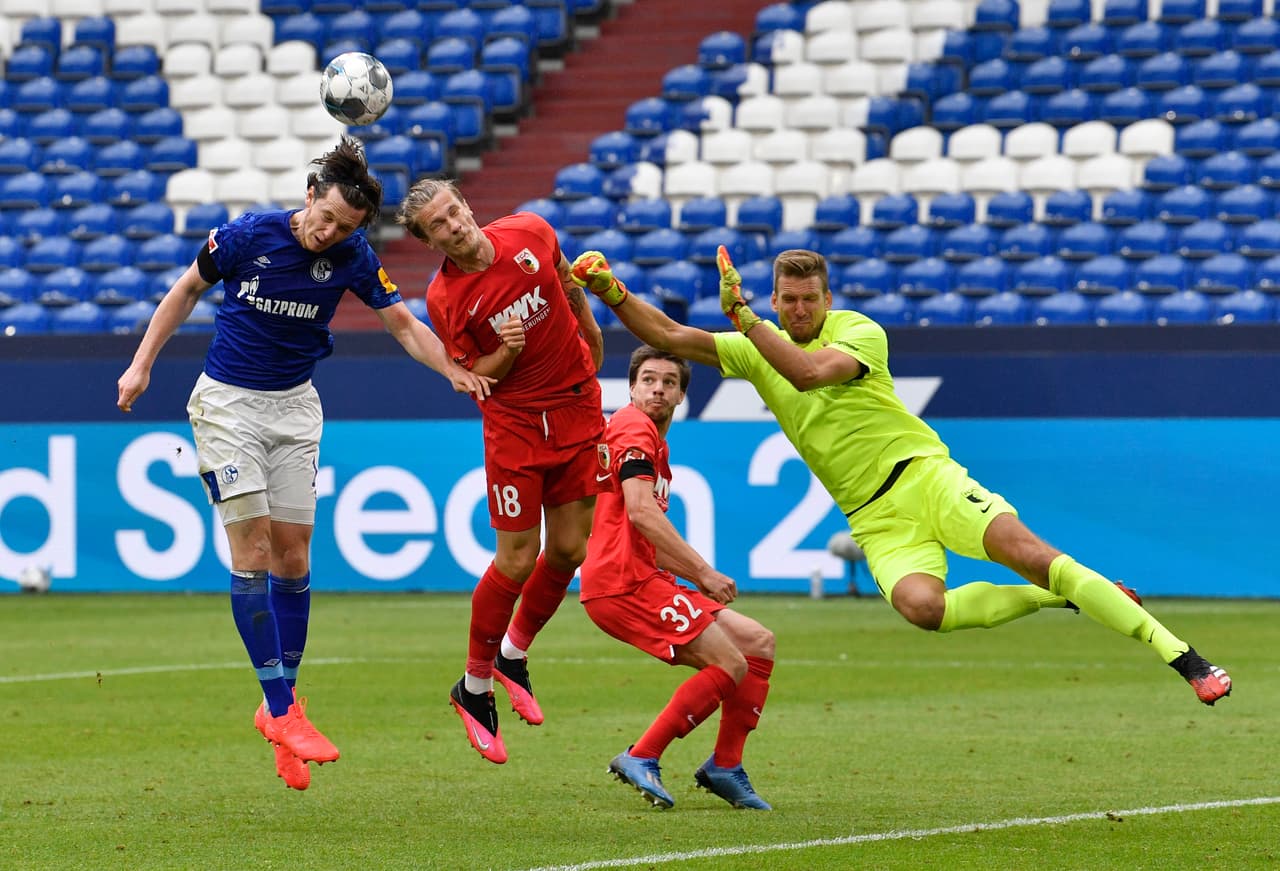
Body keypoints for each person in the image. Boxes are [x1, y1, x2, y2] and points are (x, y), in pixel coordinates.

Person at [570, 246, 1232, 707]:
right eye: (788, 301)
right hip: (874, 517)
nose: (799, 310)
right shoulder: (752, 347)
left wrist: (746, 319)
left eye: (809, 300)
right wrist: (610, 290)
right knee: (924, 609)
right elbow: (666, 332)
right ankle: (1067, 597)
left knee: (1030, 551)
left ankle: (1184, 657)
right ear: (775, 297)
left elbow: (807, 372)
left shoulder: (858, 332)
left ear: (827, 299)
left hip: (925, 477)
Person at [117, 137, 493, 791]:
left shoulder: (351, 254)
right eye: (326, 218)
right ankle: (286, 708)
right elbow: (183, 292)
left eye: (344, 228)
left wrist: (453, 370)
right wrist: (142, 362)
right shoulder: (245, 236)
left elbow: (403, 324)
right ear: (310, 195)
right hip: (228, 405)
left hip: (295, 409)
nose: (329, 233)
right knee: (255, 547)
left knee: (295, 556)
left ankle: (277, 703)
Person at [395, 179, 607, 764]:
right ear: (426, 239)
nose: (454, 225)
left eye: (455, 211)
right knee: (516, 557)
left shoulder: (530, 231)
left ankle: (514, 654)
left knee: (569, 551)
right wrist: (506, 352)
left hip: (577, 406)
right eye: (438, 225)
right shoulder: (445, 297)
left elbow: (563, 279)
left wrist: (587, 327)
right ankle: (475, 685)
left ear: (468, 206)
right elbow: (474, 378)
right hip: (515, 426)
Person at [580, 346, 775, 810]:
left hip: (643, 576)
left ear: (682, 394)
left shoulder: (656, 444)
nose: (657, 389)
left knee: (757, 642)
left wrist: (688, 572)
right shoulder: (632, 426)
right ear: (631, 388)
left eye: (668, 382)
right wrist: (703, 573)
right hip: (622, 584)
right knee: (730, 664)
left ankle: (725, 765)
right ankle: (642, 755)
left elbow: (646, 531)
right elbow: (641, 512)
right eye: (647, 379)